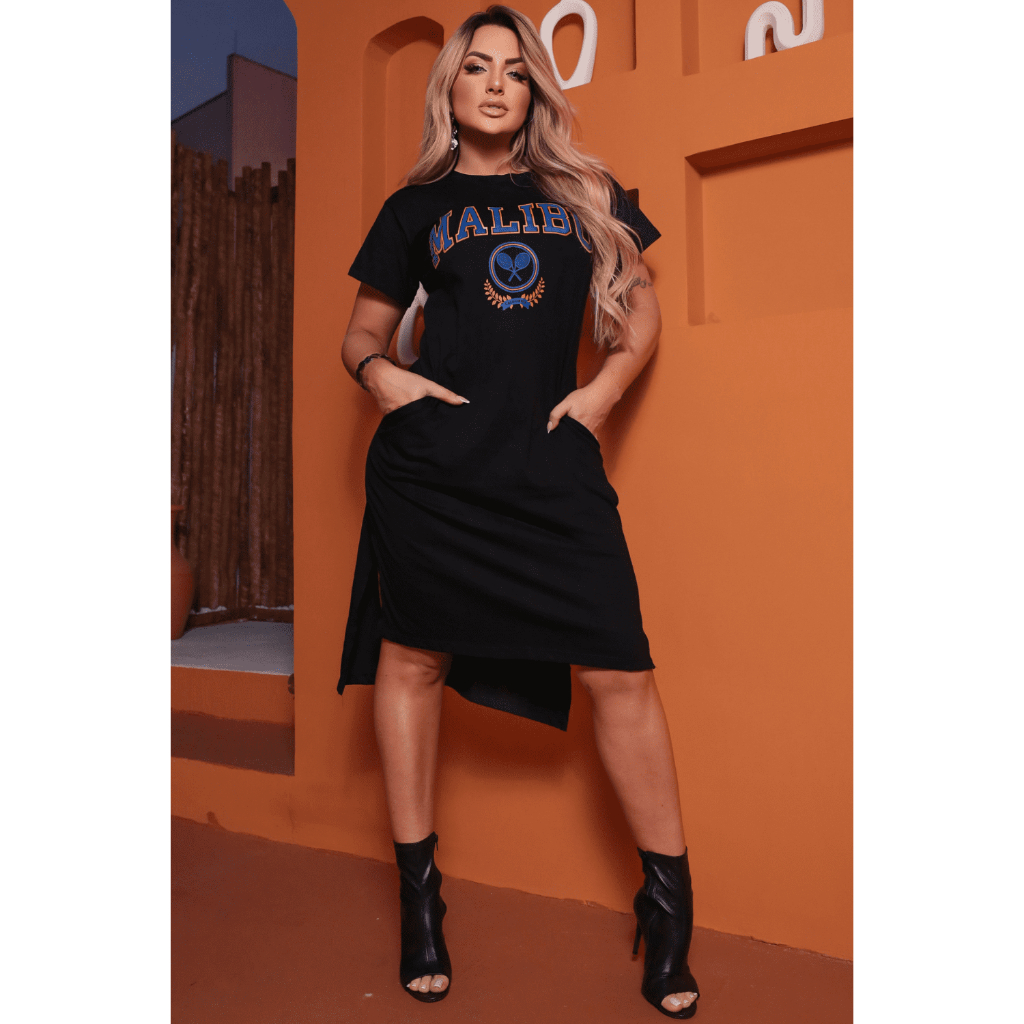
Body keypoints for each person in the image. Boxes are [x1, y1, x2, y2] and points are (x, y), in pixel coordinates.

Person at [337, 6, 699, 1018]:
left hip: (550, 469)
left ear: (535, 88)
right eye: (476, 68)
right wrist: (382, 377)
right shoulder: (414, 209)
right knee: (413, 659)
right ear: (450, 90)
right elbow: (360, 333)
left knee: (619, 670)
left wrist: (602, 392)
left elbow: (640, 301)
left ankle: (668, 907)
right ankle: (420, 900)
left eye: (514, 70)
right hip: (435, 473)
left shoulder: (584, 190)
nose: (495, 84)